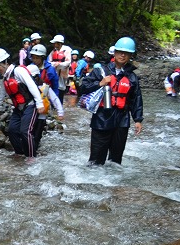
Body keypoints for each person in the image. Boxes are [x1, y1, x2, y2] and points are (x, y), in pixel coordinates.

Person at [78, 36, 143, 165]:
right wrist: (100, 83)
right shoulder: (100, 71)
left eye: (127, 53)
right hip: (102, 117)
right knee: (96, 159)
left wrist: (138, 120)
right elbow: (83, 87)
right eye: (120, 52)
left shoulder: (132, 77)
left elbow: (136, 99)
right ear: (114, 53)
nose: (123, 55)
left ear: (130, 56)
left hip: (122, 119)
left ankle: (113, 183)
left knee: (116, 159)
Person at [0, 48, 45, 160]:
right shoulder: (6, 78)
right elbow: (0, 97)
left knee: (25, 131)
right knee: (12, 130)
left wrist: (39, 104)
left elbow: (32, 86)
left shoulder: (19, 71)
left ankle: (31, 157)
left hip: (30, 105)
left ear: (5, 62)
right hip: (19, 108)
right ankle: (20, 153)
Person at [25, 63, 64, 154]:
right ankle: (30, 152)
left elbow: (55, 99)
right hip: (29, 115)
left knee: (37, 136)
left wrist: (60, 112)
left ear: (37, 77)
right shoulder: (26, 86)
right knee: (28, 134)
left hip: (40, 117)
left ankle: (34, 153)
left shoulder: (45, 87)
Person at [49, 35, 73, 100]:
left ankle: (60, 106)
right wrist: (54, 64)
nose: (54, 44)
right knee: (54, 88)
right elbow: (49, 62)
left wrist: (59, 64)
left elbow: (68, 62)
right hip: (54, 73)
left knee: (61, 89)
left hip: (63, 74)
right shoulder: (53, 51)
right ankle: (54, 106)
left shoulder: (67, 50)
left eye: (55, 43)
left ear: (59, 43)